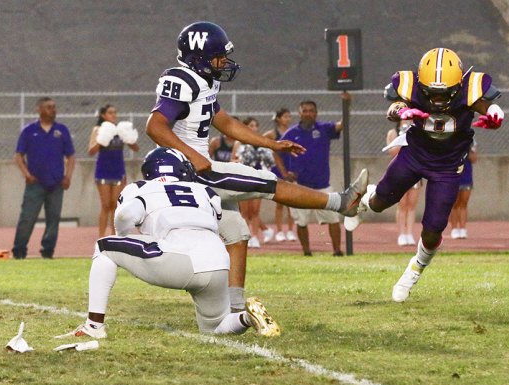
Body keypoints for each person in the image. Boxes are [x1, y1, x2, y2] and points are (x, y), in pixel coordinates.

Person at [145, 21, 367, 311]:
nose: (224, 62)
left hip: (201, 166)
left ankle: (234, 307)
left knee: (237, 233)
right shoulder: (181, 79)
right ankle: (342, 202)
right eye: (218, 56)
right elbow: (155, 126)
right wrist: (193, 155)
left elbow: (225, 123)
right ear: (197, 58)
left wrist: (271, 144)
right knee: (265, 183)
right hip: (191, 172)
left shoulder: (206, 81)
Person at [58, 147, 280, 338]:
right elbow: (215, 217)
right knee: (215, 328)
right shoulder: (205, 191)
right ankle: (246, 318)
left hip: (177, 260)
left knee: (104, 247)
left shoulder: (139, 188)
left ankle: (94, 326)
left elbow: (125, 216)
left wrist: (123, 236)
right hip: (218, 261)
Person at [345, 48, 504, 302]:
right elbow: (393, 107)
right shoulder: (411, 86)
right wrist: (400, 112)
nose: (438, 98)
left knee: (433, 230)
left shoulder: (470, 88)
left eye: (444, 93)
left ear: (459, 83)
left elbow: (487, 105)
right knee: (380, 203)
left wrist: (496, 113)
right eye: (433, 92)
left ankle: (415, 269)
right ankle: (364, 202)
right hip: (414, 156)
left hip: (448, 167)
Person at [277, 97, 350, 256]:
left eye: (311, 111)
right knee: (301, 222)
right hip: (300, 185)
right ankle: (306, 252)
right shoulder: (292, 133)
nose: (308, 114)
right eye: (305, 111)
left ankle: (337, 251)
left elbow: (341, 126)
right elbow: (276, 150)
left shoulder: (324, 129)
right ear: (300, 113)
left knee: (333, 219)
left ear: (316, 113)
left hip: (322, 184)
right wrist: (284, 173)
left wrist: (347, 105)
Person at [11, 97, 76, 259]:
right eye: (48, 107)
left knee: (53, 219)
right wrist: (27, 175)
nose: (53, 110)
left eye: (54, 107)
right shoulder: (28, 130)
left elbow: (71, 156)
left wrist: (67, 177)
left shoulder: (62, 130)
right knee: (27, 218)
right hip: (35, 184)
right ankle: (19, 251)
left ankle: (47, 252)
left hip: (56, 183)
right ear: (39, 110)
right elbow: (18, 156)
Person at [88, 104, 140, 238]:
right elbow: (91, 151)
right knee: (105, 205)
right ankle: (101, 236)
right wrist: (102, 139)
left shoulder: (120, 129)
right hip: (103, 171)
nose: (114, 115)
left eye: (115, 112)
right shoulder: (98, 129)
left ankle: (114, 235)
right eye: (110, 113)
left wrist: (128, 137)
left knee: (115, 205)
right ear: (103, 115)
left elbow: (135, 148)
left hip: (118, 170)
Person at [231, 117, 274, 248]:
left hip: (258, 179)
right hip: (243, 179)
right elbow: (232, 159)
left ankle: (255, 237)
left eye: (255, 125)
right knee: (245, 212)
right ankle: (247, 236)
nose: (253, 128)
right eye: (250, 125)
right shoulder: (238, 143)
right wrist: (241, 161)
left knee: (255, 211)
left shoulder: (260, 142)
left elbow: (269, 161)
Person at [384, 120, 421, 246]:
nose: (408, 119)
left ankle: (409, 233)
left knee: (411, 205)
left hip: (415, 172)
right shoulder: (393, 132)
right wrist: (403, 138)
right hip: (399, 172)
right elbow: (392, 152)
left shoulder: (417, 132)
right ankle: (401, 234)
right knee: (402, 204)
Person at [263, 108, 297, 242]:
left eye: (289, 116)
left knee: (292, 203)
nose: (288, 119)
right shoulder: (271, 134)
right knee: (279, 203)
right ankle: (279, 231)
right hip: (278, 169)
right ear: (278, 119)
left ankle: (290, 230)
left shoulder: (293, 132)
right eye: (285, 116)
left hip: (291, 168)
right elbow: (259, 143)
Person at [449, 140, 478, 239]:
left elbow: (474, 159)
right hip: (454, 174)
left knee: (464, 202)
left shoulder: (471, 141)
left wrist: (469, 149)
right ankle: (454, 229)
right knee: (454, 203)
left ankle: (462, 228)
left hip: (467, 175)